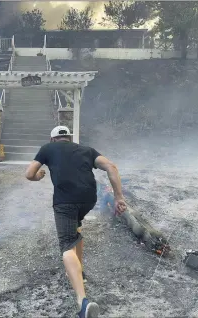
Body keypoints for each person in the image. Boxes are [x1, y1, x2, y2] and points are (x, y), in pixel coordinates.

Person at [25, 125, 127, 318]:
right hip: (89, 199)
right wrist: (119, 197)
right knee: (75, 231)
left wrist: (39, 176)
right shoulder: (87, 150)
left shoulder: (48, 148)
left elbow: (29, 174)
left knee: (66, 245)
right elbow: (111, 167)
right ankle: (78, 271)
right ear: (69, 138)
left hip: (65, 202)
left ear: (53, 139)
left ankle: (83, 302)